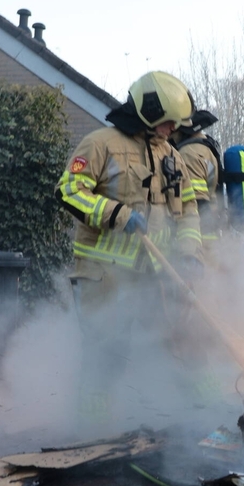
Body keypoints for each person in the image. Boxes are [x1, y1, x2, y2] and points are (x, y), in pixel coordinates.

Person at [55, 70, 202, 422]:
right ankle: (91, 427)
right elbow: (69, 191)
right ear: (150, 112)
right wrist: (118, 214)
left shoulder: (172, 155)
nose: (173, 130)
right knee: (104, 355)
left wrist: (189, 253)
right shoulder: (100, 144)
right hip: (103, 278)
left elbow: (189, 209)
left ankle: (156, 421)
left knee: (162, 347)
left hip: (152, 275)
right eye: (169, 122)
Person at [171, 103, 222, 267]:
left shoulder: (190, 153)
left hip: (199, 240)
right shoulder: (204, 146)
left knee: (199, 287)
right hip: (209, 238)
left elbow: (196, 202)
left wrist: (189, 250)